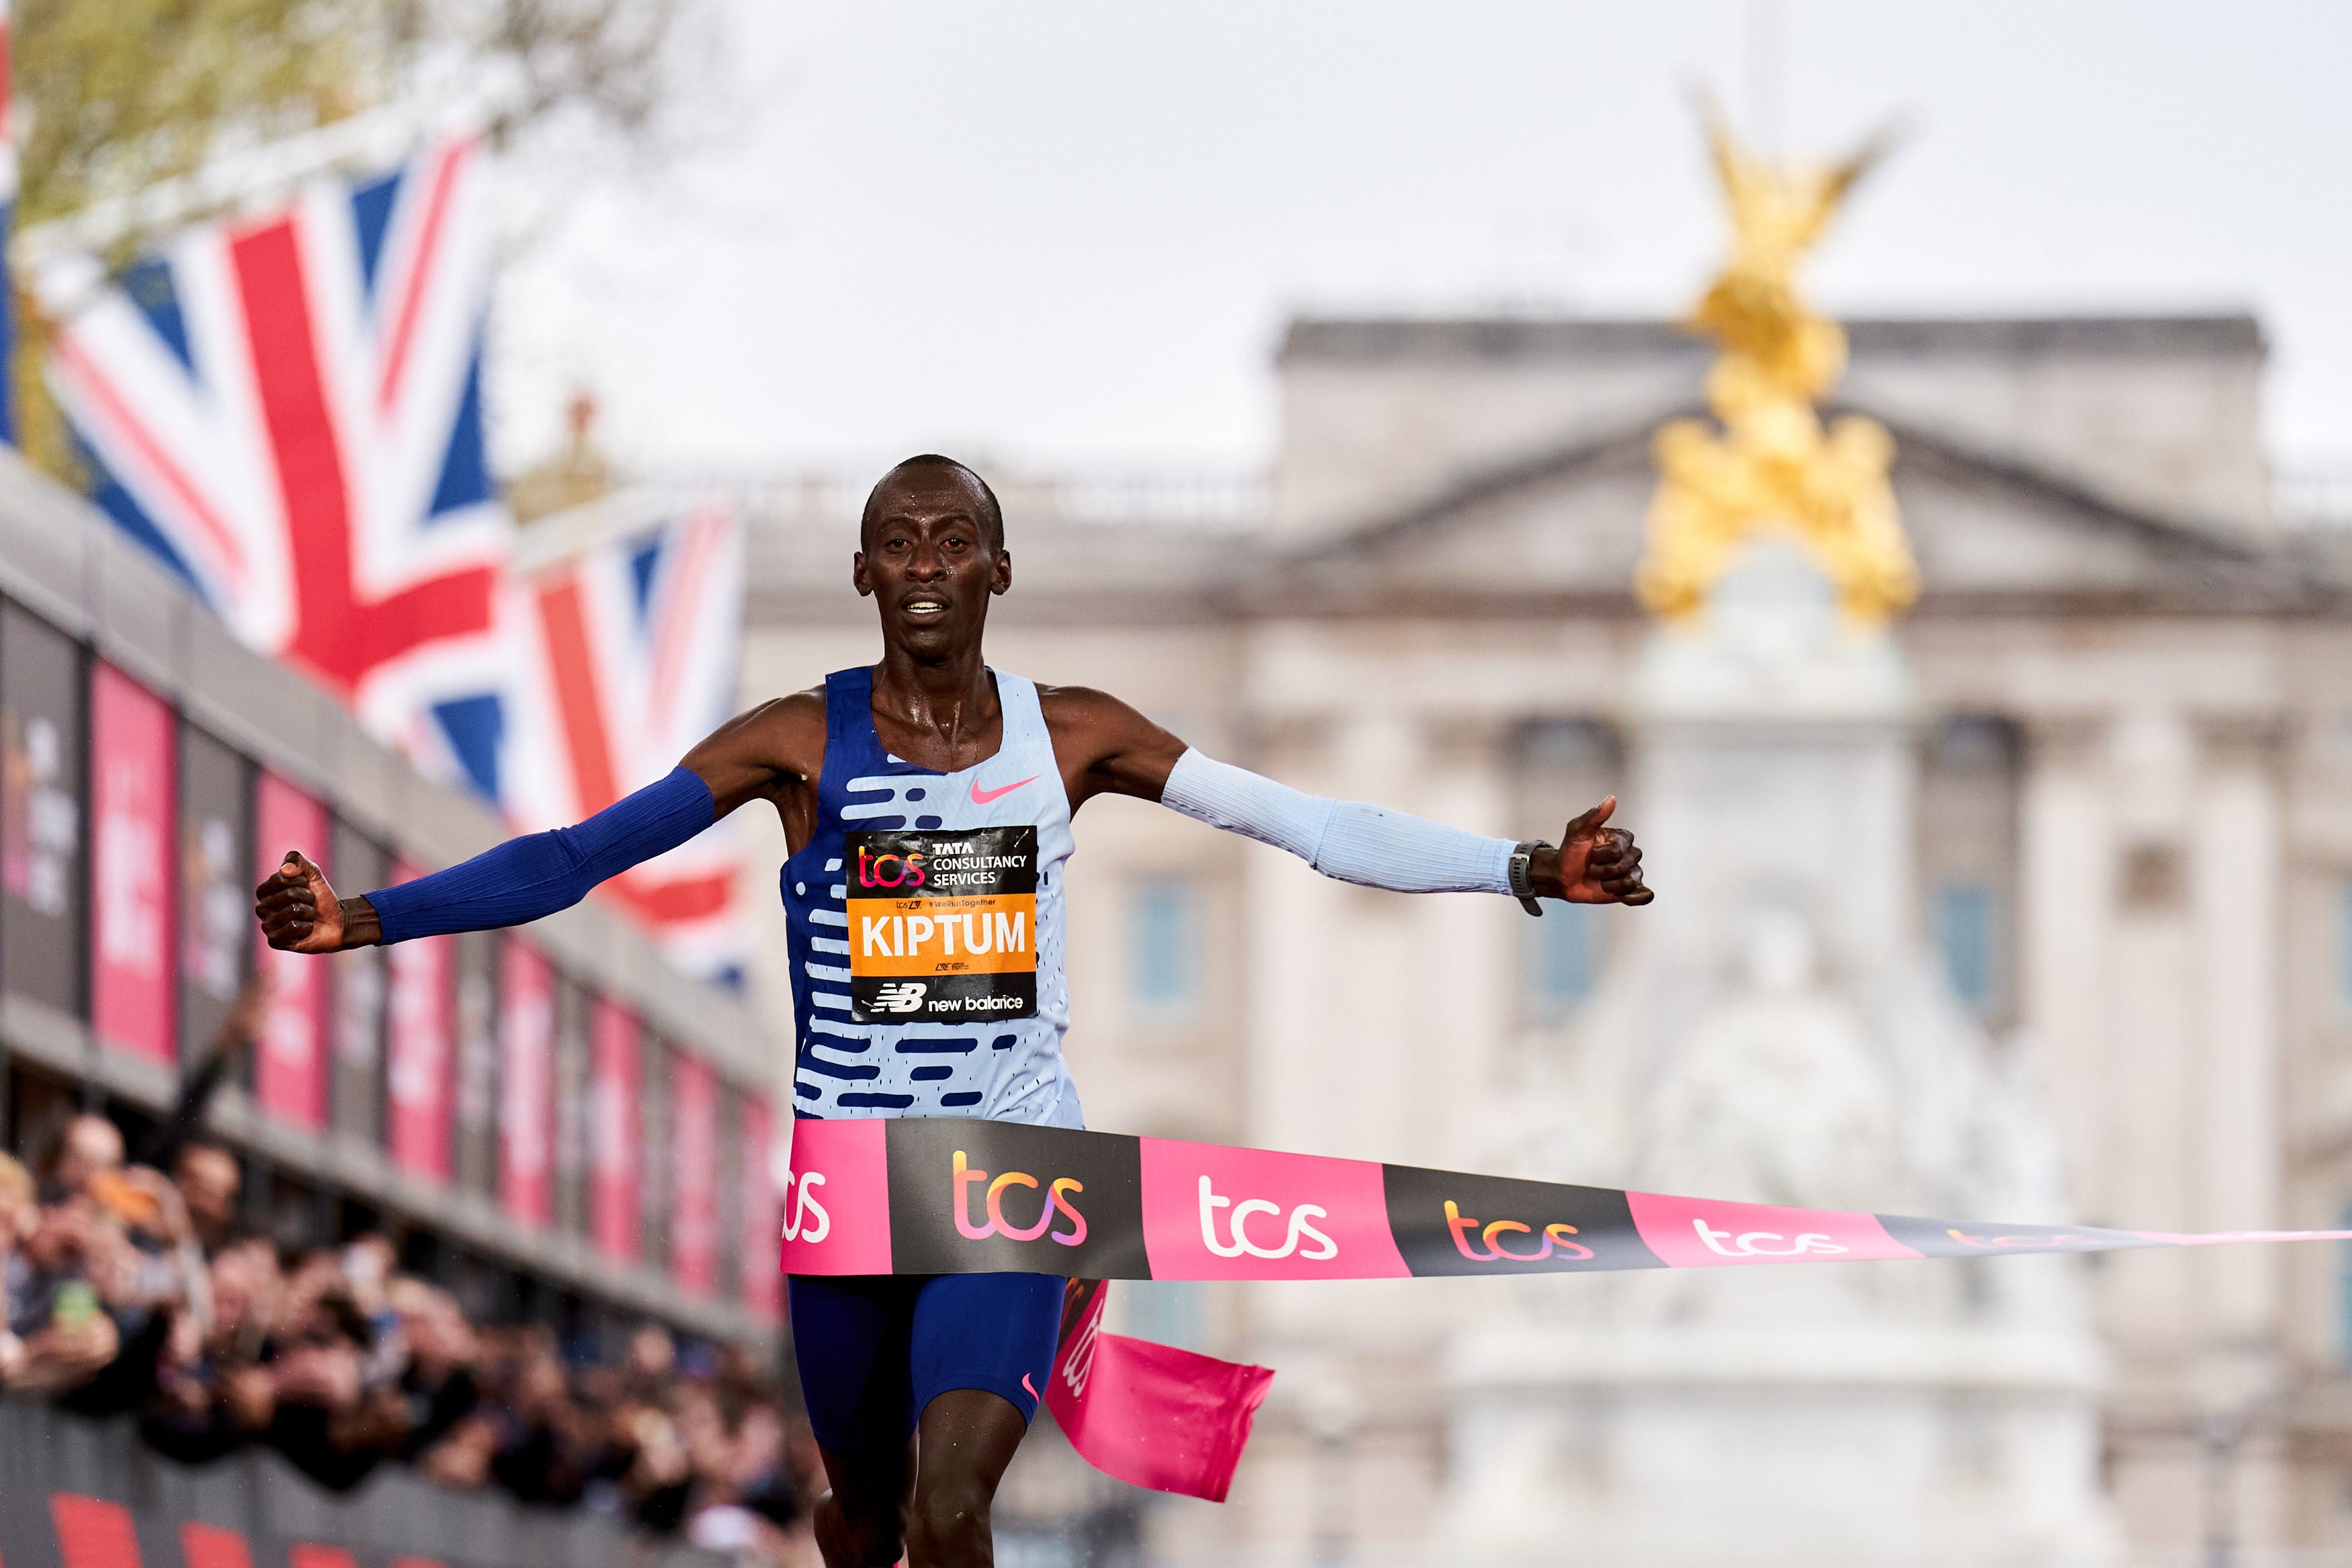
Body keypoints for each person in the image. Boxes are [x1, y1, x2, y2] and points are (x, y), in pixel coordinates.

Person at [255, 454, 1654, 1568]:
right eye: (898, 545)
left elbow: (1305, 821)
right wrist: (369, 916)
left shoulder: (1081, 730)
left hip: (1013, 1166)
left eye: (951, 543)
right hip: (854, 1176)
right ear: (863, 574)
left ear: (998, 569)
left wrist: (1518, 865)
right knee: (865, 1523)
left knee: (950, 1517)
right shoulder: (795, 740)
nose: (925, 569)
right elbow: (578, 858)